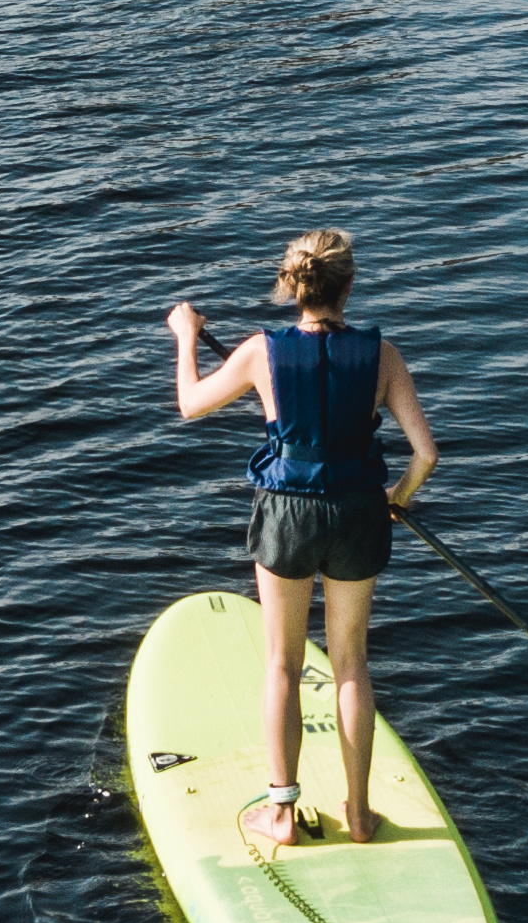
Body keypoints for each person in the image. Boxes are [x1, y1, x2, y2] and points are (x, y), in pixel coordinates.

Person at [165, 229, 438, 851]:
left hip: (287, 514)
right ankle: (361, 814)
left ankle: (282, 814)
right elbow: (426, 454)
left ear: (292, 287)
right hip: (358, 513)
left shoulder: (261, 352)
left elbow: (189, 404)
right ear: (349, 284)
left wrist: (186, 338)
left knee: (284, 663)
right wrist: (398, 496)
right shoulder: (384, 356)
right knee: (350, 663)